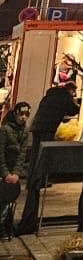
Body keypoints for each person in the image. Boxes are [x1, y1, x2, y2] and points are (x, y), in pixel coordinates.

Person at [16, 78, 81, 233]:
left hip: (37, 126)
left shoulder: (50, 95)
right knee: (44, 155)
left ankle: (34, 176)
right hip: (48, 128)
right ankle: (40, 177)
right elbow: (73, 110)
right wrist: (76, 102)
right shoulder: (65, 96)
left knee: (36, 154)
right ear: (70, 90)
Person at [1, 102, 30, 238]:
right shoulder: (5, 130)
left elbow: (22, 155)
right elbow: (0, 154)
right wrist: (5, 173)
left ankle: (4, 224)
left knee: (10, 194)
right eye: (21, 114)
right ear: (15, 114)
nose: (23, 117)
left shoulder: (25, 131)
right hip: (3, 171)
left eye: (26, 114)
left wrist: (16, 173)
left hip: (13, 172)